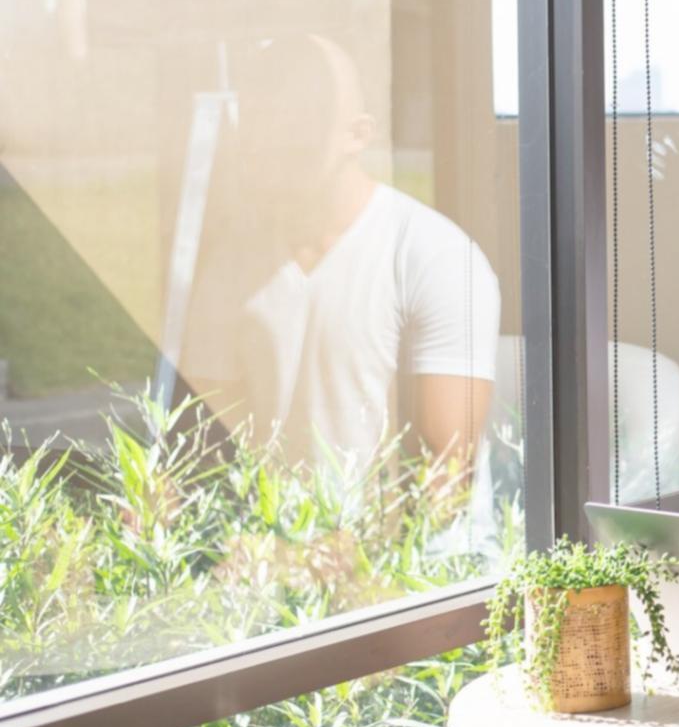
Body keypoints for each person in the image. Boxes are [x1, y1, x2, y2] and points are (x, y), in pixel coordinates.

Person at [182, 34, 501, 537]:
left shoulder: (436, 257)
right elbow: (210, 447)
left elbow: (449, 473)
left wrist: (351, 565)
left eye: (298, 122)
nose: (273, 141)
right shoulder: (233, 263)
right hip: (279, 568)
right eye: (262, 122)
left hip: (422, 576)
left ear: (360, 134)